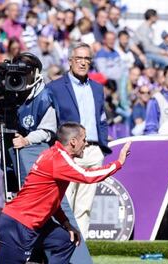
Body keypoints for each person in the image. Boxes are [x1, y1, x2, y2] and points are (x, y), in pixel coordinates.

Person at [0, 122, 131, 264]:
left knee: (66, 240)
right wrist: (119, 162)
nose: (86, 144)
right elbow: (87, 175)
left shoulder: (55, 154)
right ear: (73, 141)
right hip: (17, 225)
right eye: (84, 139)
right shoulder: (59, 158)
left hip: (34, 224)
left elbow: (52, 200)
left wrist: (66, 224)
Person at [47, 42, 111, 240]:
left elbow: (102, 118)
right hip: (68, 152)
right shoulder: (55, 87)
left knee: (85, 206)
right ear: (70, 61)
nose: (83, 63)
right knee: (64, 202)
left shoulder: (98, 88)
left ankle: (79, 252)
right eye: (79, 58)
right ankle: (61, 248)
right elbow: (51, 120)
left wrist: (102, 147)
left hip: (92, 151)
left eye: (87, 59)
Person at [8, 52, 56, 187]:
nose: (21, 76)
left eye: (25, 72)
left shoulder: (45, 97)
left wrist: (26, 140)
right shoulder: (12, 93)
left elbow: (47, 131)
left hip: (38, 155)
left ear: (34, 73)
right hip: (17, 153)